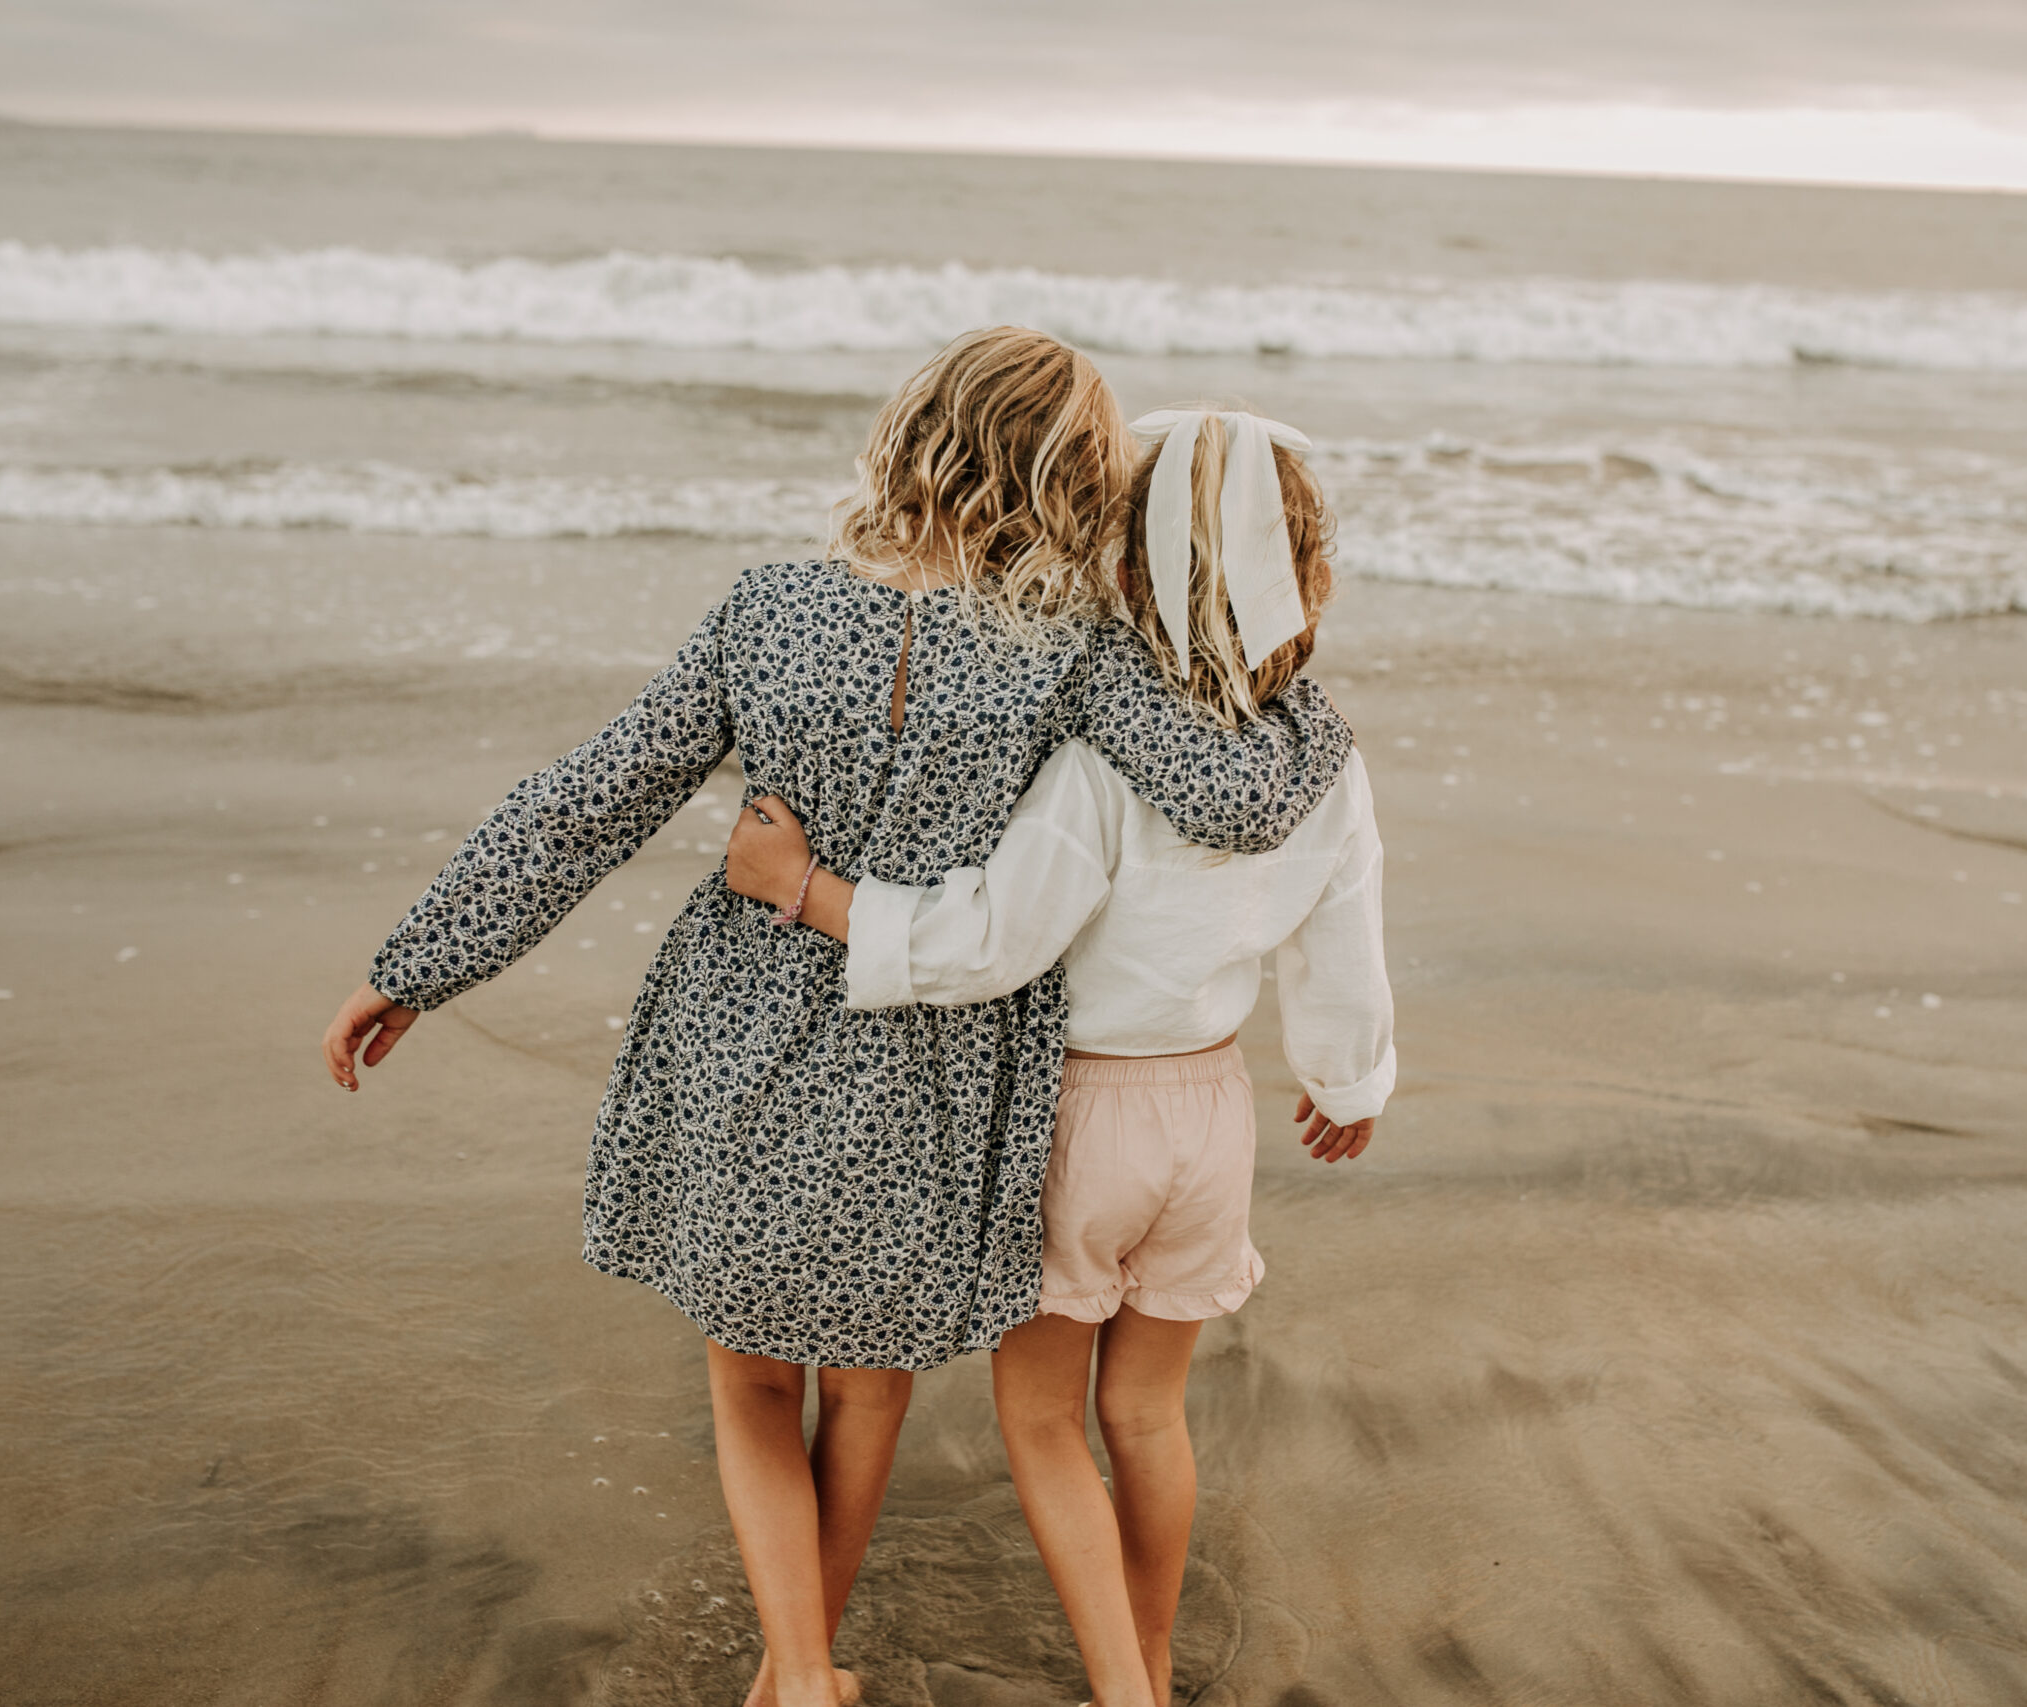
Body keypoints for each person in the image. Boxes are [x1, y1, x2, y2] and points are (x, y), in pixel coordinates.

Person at [318, 339, 1355, 1707]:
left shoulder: (766, 610)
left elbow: (595, 795)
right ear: (1069, 486)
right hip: (930, 1053)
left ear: (909, 437)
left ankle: (802, 1671)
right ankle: (793, 1661)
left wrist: (421, 962)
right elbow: (1234, 799)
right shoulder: (1074, 656)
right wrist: (1321, 716)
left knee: (748, 1382)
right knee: (867, 1386)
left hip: (742, 1025)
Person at [725, 407, 1393, 1707]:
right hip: (1212, 1119)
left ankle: (1126, 1696)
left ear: (1120, 569)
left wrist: (807, 891)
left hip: (1074, 1118)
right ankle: (1140, 1659)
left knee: (1043, 1428)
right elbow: (1343, 935)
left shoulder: (1095, 759)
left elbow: (990, 943)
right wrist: (1348, 1079)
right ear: (1301, 574)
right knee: (1147, 1419)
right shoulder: (1325, 761)